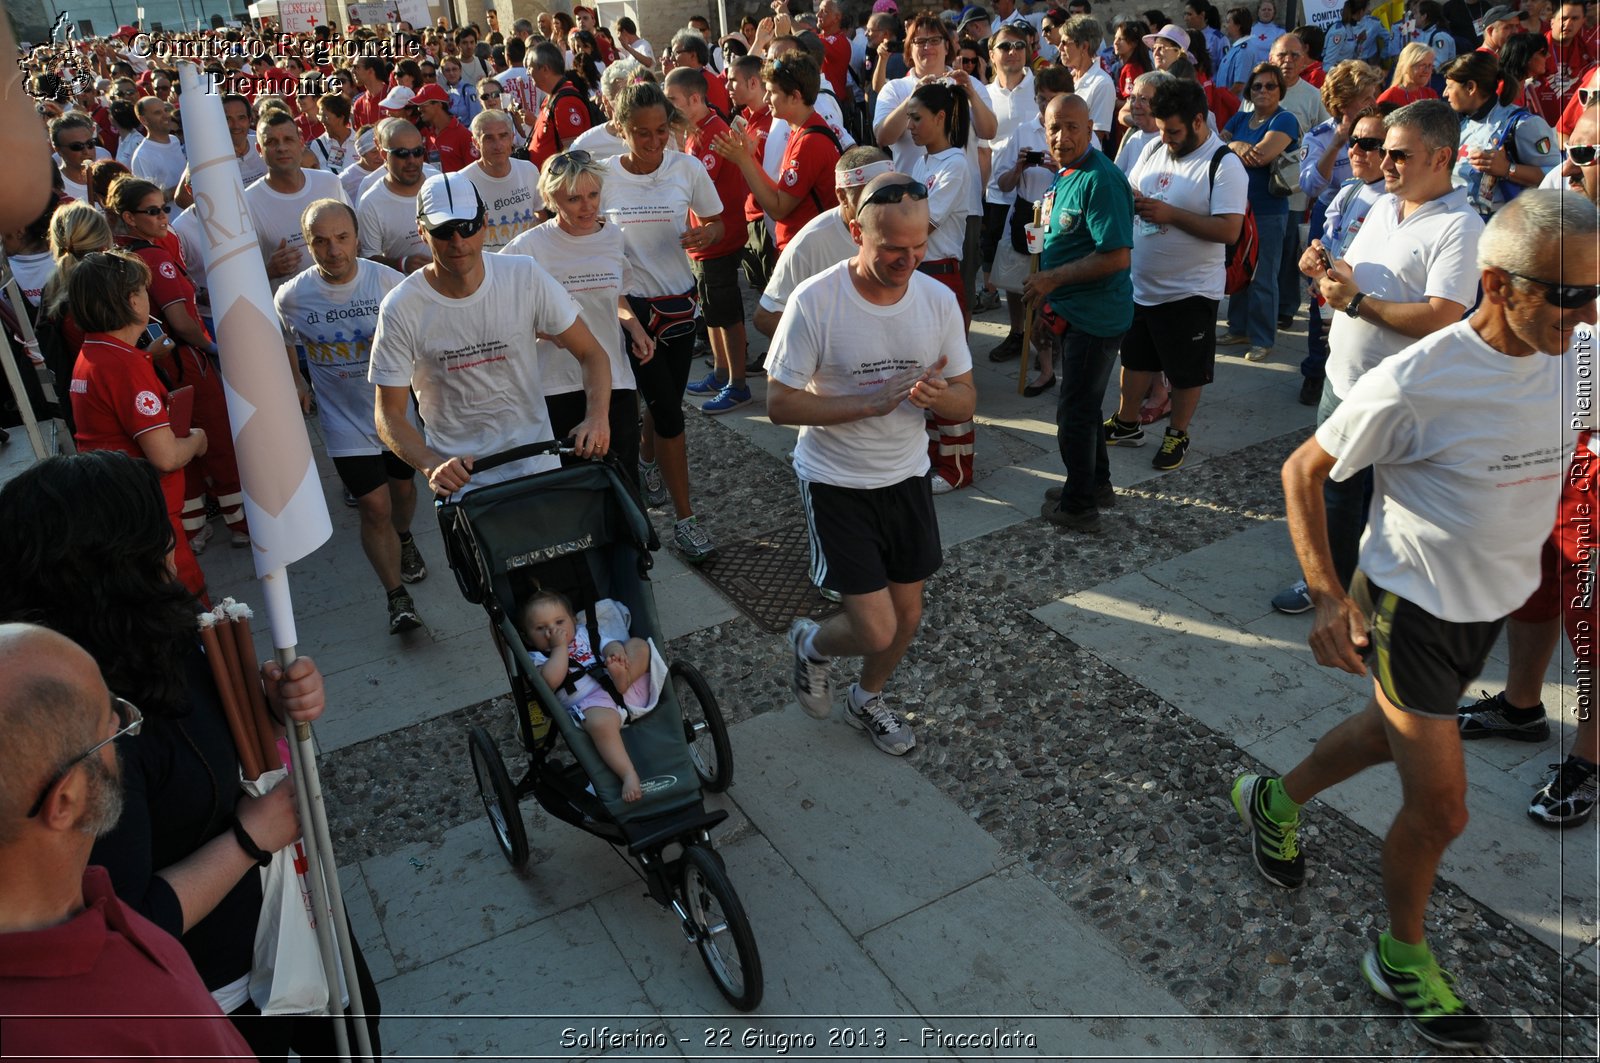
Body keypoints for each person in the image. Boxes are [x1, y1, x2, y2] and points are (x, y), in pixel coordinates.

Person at [1235, 189, 1598, 1051]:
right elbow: (1302, 470)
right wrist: (1328, 594)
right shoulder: (1419, 378)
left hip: (1491, 604)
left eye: (1596, 293)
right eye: (1567, 293)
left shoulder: (1578, 352)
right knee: (1442, 810)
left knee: (1380, 733)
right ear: (1498, 283)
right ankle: (1399, 957)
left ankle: (1272, 800)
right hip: (1414, 610)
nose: (1584, 313)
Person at [0, 450, 382, 1060]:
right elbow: (123, 917)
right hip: (231, 993)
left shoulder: (163, 635)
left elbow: (224, 752)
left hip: (298, 923)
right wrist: (249, 840)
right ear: (114, 566)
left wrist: (274, 706)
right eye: (160, 533)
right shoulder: (77, 724)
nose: (173, 549)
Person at [771, 171, 976, 757]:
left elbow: (966, 398)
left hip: (906, 477)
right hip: (837, 482)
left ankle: (867, 697)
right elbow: (779, 403)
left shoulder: (937, 300)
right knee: (875, 625)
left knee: (906, 618)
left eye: (919, 247)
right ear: (855, 229)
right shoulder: (816, 302)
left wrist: (940, 398)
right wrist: (870, 403)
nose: (909, 260)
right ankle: (812, 646)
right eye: (892, 249)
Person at [0, 623, 256, 1063]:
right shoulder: (82, 1032)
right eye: (109, 725)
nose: (124, 724)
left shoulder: (88, 898)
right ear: (67, 799)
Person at [1271, 99, 1484, 614]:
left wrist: (1359, 304)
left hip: (1401, 397)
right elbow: (1356, 270)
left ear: (1441, 158)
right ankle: (1333, 591)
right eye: (1383, 152)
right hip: (1342, 382)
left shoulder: (1461, 225)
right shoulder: (1384, 204)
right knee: (1335, 494)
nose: (1384, 164)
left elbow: (1441, 314)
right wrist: (1324, 268)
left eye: (1399, 155)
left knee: (1389, 506)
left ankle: (1378, 605)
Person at [1463, 103, 1600, 827]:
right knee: (1535, 583)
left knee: (1596, 615)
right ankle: (1521, 706)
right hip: (1547, 436)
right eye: (1574, 145)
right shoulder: (1561, 213)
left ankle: (1593, 752)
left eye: (1590, 149)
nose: (1574, 161)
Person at [371, 171, 613, 498]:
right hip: (464, 484)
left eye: (468, 227)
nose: (458, 242)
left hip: (535, 466)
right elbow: (388, 414)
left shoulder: (523, 275)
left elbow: (592, 353)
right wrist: (431, 465)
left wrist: (597, 417)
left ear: (484, 222)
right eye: (444, 231)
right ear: (421, 231)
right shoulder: (400, 307)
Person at [275, 199, 423, 636]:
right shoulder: (292, 295)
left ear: (357, 238)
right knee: (373, 506)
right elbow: (282, 337)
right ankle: (397, 597)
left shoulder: (389, 283)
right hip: (342, 420)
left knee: (402, 493)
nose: (333, 249)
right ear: (308, 244)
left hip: (394, 412)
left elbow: (423, 335)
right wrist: (297, 381)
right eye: (321, 241)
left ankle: (407, 537)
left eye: (342, 238)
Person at [596, 84, 723, 561]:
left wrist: (705, 232)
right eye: (641, 134)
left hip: (679, 305)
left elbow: (718, 222)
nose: (653, 144)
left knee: (662, 400)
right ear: (622, 129)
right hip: (631, 309)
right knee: (670, 414)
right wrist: (624, 312)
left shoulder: (686, 167)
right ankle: (686, 521)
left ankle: (648, 461)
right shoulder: (603, 175)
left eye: (661, 132)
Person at [1103, 79, 1248, 475]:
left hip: (1190, 291)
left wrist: (1170, 215)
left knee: (1185, 369)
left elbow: (1228, 231)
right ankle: (1127, 421)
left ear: (1199, 121)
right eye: (1162, 129)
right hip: (1142, 285)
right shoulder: (1152, 145)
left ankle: (1177, 432)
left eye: (1174, 131)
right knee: (1135, 359)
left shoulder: (1224, 164)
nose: (1166, 139)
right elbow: (1135, 185)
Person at [109, 176, 250, 556]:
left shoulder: (116, 256)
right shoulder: (153, 258)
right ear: (129, 217)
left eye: (164, 209)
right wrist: (213, 348)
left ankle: (193, 529)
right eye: (152, 212)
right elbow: (181, 319)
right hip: (183, 363)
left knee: (174, 442)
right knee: (216, 438)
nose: (163, 218)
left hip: (149, 365)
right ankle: (239, 522)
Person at [64, 250, 208, 599]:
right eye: (144, 291)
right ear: (132, 301)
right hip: (148, 516)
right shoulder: (123, 364)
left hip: (123, 510)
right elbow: (165, 457)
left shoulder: (92, 353)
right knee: (187, 609)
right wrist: (197, 441)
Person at [503, 152, 650, 481]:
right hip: (554, 386)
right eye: (574, 198)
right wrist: (542, 330)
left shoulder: (613, 236)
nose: (587, 207)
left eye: (593, 195)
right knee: (573, 487)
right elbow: (496, 310)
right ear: (551, 198)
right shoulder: (526, 248)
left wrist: (633, 325)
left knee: (623, 480)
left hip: (615, 379)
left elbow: (616, 295)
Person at [1025, 94, 1134, 531]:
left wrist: (1052, 279)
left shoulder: (1100, 179)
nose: (1061, 137)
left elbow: (1116, 257)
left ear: (1091, 128)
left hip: (1096, 316)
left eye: (1072, 127)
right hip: (1072, 311)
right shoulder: (1064, 174)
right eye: (1054, 128)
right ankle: (1095, 484)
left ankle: (1079, 506)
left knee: (1073, 412)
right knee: (1085, 408)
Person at [665, 67, 754, 416]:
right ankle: (720, 372)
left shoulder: (713, 133)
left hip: (718, 240)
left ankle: (738, 383)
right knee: (712, 311)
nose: (668, 106)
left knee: (727, 312)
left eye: (673, 100)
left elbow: (699, 191)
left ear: (695, 99)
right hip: (704, 242)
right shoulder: (696, 131)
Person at [522, 590, 663, 802]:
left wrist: (615, 652)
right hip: (593, 704)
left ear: (573, 620)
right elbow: (550, 681)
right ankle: (627, 773)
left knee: (638, 645)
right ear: (528, 638)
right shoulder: (538, 658)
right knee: (599, 726)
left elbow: (607, 642)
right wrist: (560, 648)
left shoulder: (583, 633)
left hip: (627, 685)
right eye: (541, 628)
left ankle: (623, 678)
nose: (553, 631)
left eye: (559, 622)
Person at [1299, 61, 1385, 402]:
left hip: (1374, 210)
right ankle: (1315, 369)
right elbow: (1309, 184)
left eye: (1374, 93)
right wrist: (1336, 143)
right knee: (1321, 295)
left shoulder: (1383, 130)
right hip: (1332, 215)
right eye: (1366, 95)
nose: (1374, 99)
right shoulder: (1319, 136)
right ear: (1343, 100)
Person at [1218, 61, 1300, 363]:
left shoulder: (1285, 119)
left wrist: (1234, 146)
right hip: (1235, 208)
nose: (1263, 90)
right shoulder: (1240, 118)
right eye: (1257, 86)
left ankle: (1263, 338)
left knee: (1264, 275)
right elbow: (1218, 145)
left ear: (1280, 90)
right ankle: (1238, 328)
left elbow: (1261, 156)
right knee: (1238, 271)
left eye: (1270, 86)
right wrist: (1238, 145)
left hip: (1267, 210)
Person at [1442, 51, 1559, 218]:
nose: (1444, 93)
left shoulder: (1523, 124)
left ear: (1470, 87)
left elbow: (1557, 176)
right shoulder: (1460, 123)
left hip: (1504, 226)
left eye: (1450, 86)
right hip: (1460, 220)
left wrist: (1507, 169)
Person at [245, 111, 351, 293]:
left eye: (288, 139)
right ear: (259, 149)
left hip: (343, 300)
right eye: (271, 142)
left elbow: (353, 238)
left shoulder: (329, 182)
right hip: (289, 313)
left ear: (301, 141)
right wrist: (269, 270)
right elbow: (240, 276)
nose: (281, 148)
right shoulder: (247, 202)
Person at [976, 22, 1038, 325]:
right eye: (1004, 46)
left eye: (1019, 46)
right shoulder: (983, 95)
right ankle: (1016, 332)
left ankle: (1044, 341)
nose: (1012, 52)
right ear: (991, 53)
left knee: (1038, 269)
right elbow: (981, 148)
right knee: (1007, 271)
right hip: (998, 194)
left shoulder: (1042, 90)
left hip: (1038, 196)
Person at [358, 118, 434, 273]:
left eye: (418, 152)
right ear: (383, 155)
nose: (411, 160)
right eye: (402, 153)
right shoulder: (371, 203)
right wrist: (402, 264)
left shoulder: (436, 180)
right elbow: (368, 259)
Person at [461, 108, 541, 251]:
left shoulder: (529, 171)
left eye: (503, 136)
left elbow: (542, 215)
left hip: (528, 262)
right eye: (489, 138)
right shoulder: (463, 182)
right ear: (475, 142)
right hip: (489, 267)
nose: (498, 146)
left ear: (512, 137)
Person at [528, 42, 596, 167]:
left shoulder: (565, 102)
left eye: (530, 67)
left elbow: (575, 155)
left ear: (545, 69)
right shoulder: (552, 98)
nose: (528, 73)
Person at [129, 96, 187, 203]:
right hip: (171, 218)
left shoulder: (175, 141)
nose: (166, 116)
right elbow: (148, 200)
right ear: (143, 120)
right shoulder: (142, 156)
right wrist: (183, 188)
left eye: (165, 110)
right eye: (157, 113)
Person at [1379, 42, 1441, 106]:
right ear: (1406, 66)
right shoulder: (1390, 96)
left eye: (1430, 65)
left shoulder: (1430, 95)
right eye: (1423, 65)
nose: (1427, 71)